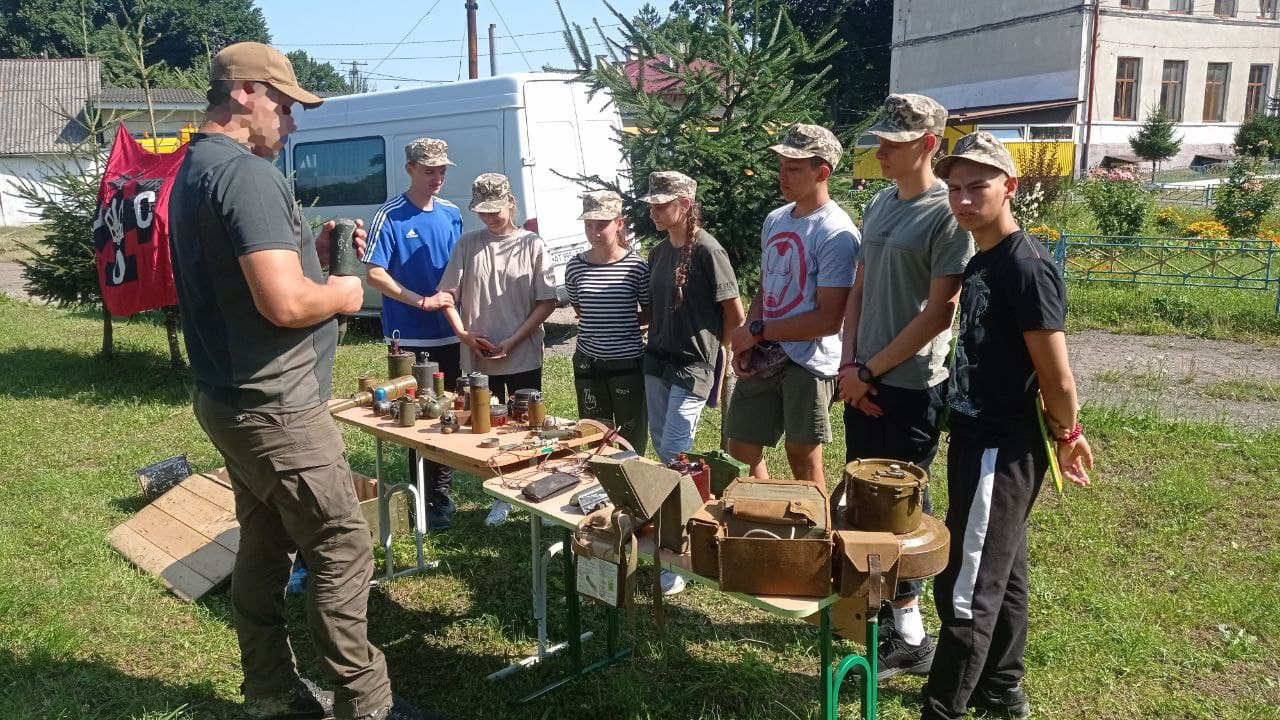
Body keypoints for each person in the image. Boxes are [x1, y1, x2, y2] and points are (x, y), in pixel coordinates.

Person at [167, 42, 438, 720]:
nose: (291, 123)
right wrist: (344, 291)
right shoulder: (247, 175)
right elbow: (285, 305)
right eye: (284, 105)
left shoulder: (194, 169)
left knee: (264, 542)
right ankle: (366, 704)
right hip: (278, 408)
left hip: (230, 398)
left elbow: (248, 280)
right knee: (342, 544)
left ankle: (269, 691)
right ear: (243, 94)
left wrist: (312, 261)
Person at [922, 131, 1094, 720]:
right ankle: (1000, 688)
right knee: (1004, 567)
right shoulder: (982, 259)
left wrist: (1068, 435)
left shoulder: (1026, 267)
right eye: (954, 189)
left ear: (1010, 187)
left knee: (967, 584)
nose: (964, 200)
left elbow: (1057, 377)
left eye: (978, 187)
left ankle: (942, 708)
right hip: (974, 436)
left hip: (1002, 446)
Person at [834, 93, 973, 680]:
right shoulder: (880, 203)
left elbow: (939, 313)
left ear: (929, 145)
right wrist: (849, 364)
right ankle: (876, 611)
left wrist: (869, 372)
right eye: (880, 141)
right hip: (860, 375)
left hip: (911, 384)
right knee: (865, 496)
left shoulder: (947, 214)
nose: (882, 152)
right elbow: (859, 289)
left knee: (901, 507)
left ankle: (911, 634)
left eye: (894, 144)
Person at [725, 123, 859, 483]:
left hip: (809, 359)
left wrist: (758, 331)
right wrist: (750, 335)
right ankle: (764, 509)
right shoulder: (775, 220)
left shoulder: (837, 232)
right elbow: (766, 287)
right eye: (782, 166)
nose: (783, 175)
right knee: (741, 446)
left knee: (802, 456)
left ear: (822, 172)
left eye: (795, 168)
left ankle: (812, 520)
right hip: (766, 347)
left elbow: (829, 319)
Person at [638, 170, 743, 596]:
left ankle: (680, 551)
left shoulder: (708, 251)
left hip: (694, 366)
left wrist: (725, 357)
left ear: (685, 204)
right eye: (651, 204)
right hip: (656, 363)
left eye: (662, 204)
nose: (654, 211)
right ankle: (676, 529)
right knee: (663, 449)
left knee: (676, 457)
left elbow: (734, 314)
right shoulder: (658, 252)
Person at [439, 172, 557, 526]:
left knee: (528, 424)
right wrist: (464, 335)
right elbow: (447, 296)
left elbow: (547, 301)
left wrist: (513, 340)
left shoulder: (532, 244)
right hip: (478, 354)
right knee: (487, 425)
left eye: (495, 210)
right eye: (483, 211)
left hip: (522, 352)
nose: (489, 217)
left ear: (511, 203)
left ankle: (535, 488)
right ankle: (500, 495)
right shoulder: (467, 244)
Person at [363, 137, 463, 531]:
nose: (437, 177)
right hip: (411, 337)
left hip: (450, 332)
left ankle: (440, 494)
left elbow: (459, 267)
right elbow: (374, 274)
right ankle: (423, 497)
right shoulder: (390, 215)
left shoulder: (452, 213)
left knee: (447, 410)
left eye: (442, 170)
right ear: (409, 169)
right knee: (418, 414)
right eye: (428, 170)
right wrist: (420, 301)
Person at [566, 190, 651, 453]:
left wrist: (621, 321)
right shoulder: (575, 267)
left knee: (631, 434)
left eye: (602, 224)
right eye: (588, 225)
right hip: (588, 361)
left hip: (627, 361)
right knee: (594, 433)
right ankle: (597, 475)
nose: (594, 232)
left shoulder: (636, 266)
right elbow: (581, 309)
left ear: (619, 223)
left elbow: (649, 311)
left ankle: (633, 475)